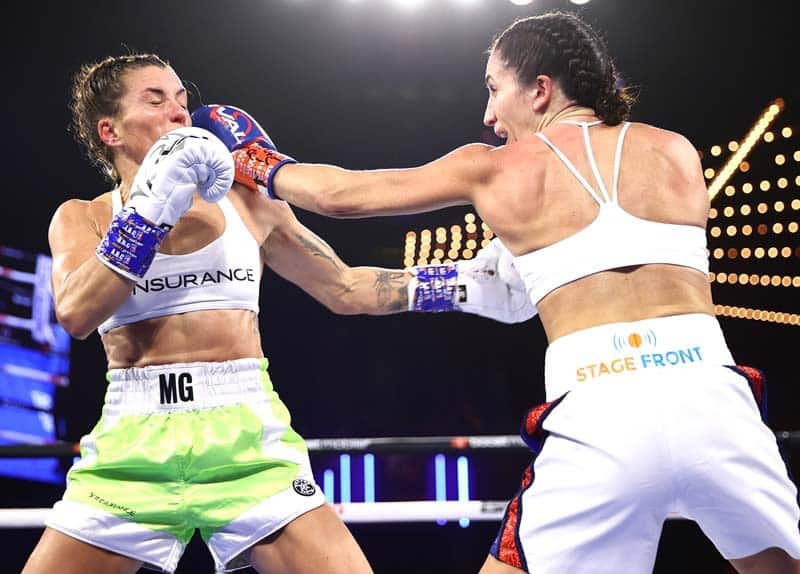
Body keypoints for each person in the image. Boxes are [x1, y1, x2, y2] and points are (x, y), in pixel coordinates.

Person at [210, 10, 800, 574]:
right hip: (716, 400)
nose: (490, 113)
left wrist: (255, 161)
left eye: (495, 89)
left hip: (602, 405)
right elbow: (590, 253)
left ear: (540, 90)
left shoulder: (495, 168)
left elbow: (342, 196)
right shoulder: (675, 150)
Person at [22, 54, 535, 574]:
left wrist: (463, 284)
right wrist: (149, 211)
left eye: (182, 100)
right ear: (109, 130)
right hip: (131, 442)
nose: (180, 114)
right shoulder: (83, 218)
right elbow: (75, 313)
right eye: (156, 101)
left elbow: (344, 287)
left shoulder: (246, 203)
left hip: (245, 433)